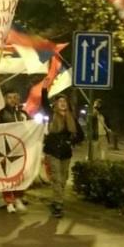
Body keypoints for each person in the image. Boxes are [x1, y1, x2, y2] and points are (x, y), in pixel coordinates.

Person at [42, 91, 84, 219]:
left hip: (65, 152)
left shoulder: (72, 118)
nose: (62, 103)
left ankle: (56, 200)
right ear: (55, 104)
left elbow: (81, 136)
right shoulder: (51, 115)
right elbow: (44, 103)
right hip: (53, 151)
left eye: (64, 102)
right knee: (57, 178)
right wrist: (44, 88)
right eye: (60, 101)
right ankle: (58, 205)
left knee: (63, 178)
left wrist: (71, 141)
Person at [0, 91, 29, 214]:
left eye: (15, 97)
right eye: (9, 98)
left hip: (19, 149)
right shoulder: (0, 114)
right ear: (5, 99)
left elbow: (30, 128)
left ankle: (18, 198)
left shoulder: (22, 114)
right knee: (7, 176)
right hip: (5, 149)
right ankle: (9, 201)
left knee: (18, 175)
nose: (12, 100)